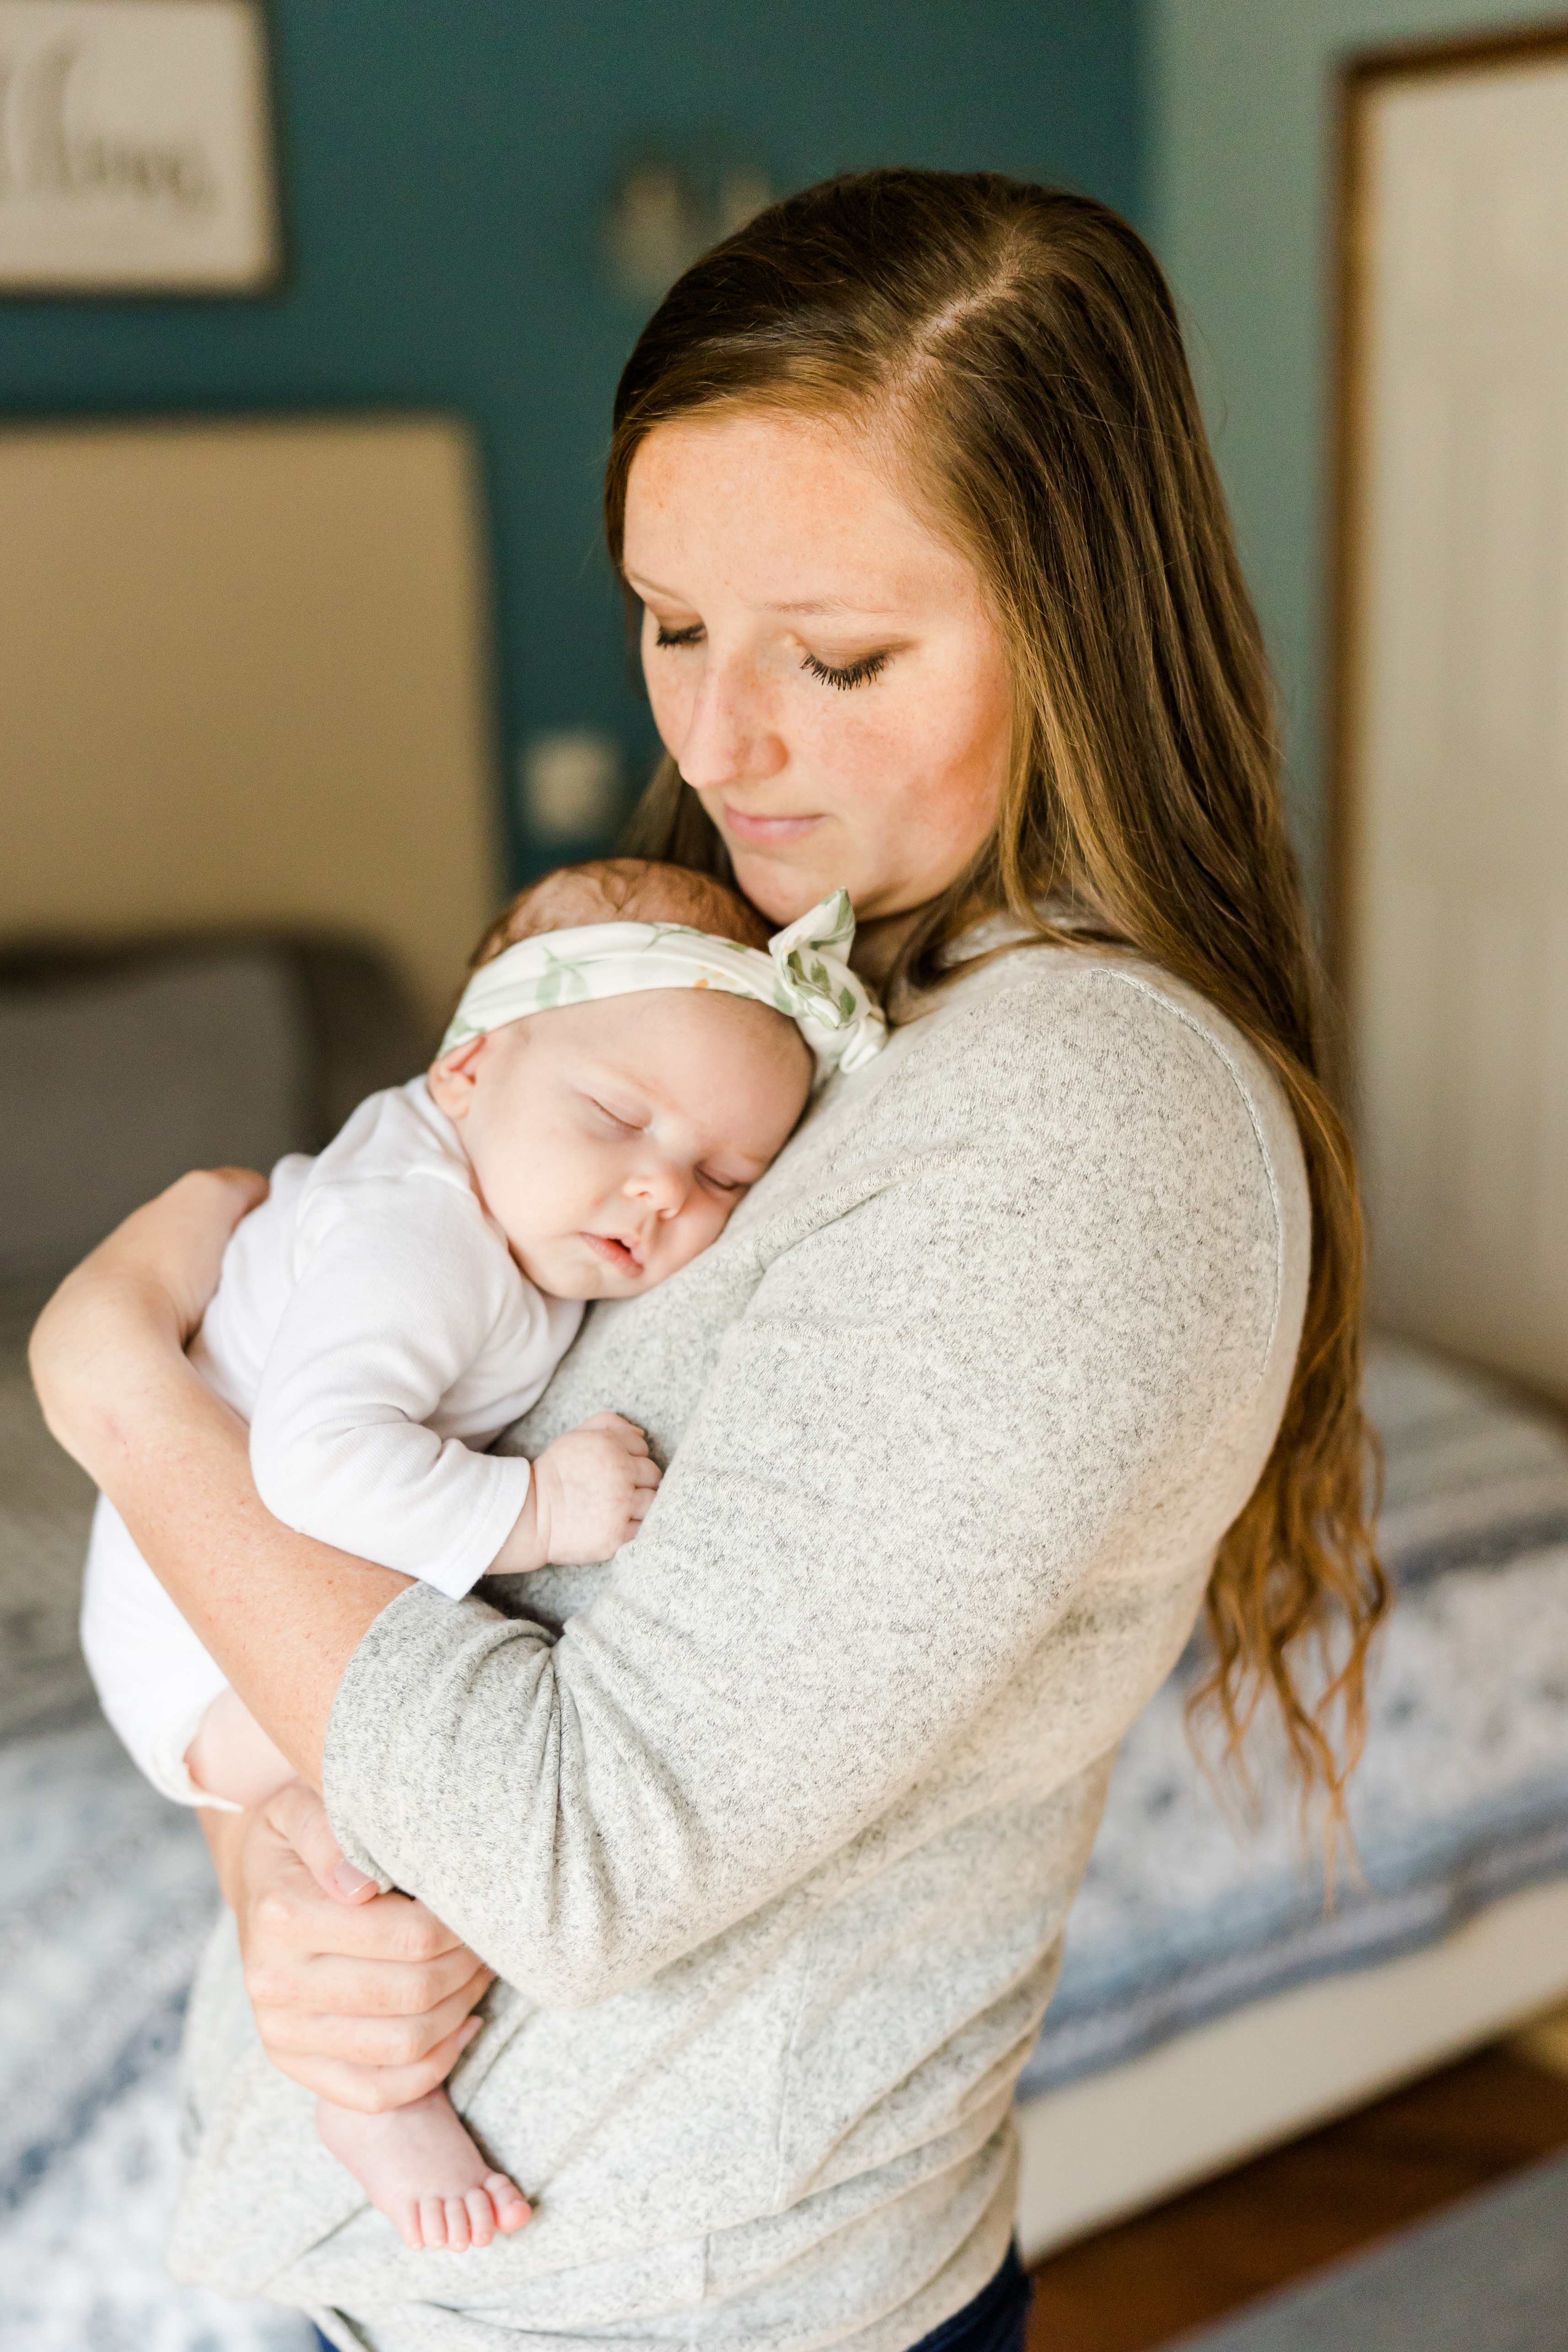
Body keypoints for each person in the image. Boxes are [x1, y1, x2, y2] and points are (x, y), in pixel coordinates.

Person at [31, 170, 1384, 2352]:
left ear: (1080, 621)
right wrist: (274, 1857)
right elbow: (383, 1631)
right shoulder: (738, 997)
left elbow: (581, 1848)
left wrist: (116, 1390)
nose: (719, 741)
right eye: (673, 623)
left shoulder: (1085, 1120)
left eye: (837, 656)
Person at [80, 855, 882, 2252]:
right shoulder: (421, 1233)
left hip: (202, 1607)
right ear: (467, 1071)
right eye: (615, 1118)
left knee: (371, 1805)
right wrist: (536, 1513)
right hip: (195, 1631)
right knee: (409, 1825)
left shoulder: (497, 1198)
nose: (657, 1193)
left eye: (724, 1176)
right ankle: (369, 2103)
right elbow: (312, 1464)